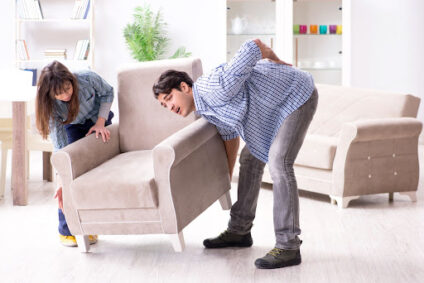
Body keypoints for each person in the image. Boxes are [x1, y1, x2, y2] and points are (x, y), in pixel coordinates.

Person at [152, 39, 318, 269]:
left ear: (184, 87)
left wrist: (275, 60)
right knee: (249, 159)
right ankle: (239, 231)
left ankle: (288, 245)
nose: (169, 107)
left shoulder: (214, 87)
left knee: (279, 163)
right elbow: (231, 139)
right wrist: (226, 180)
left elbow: (253, 46)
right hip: (273, 110)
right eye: (164, 105)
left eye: (169, 98)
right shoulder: (206, 110)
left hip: (296, 95)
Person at [36, 61, 114, 247]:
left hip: (99, 121)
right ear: (50, 94)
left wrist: (101, 122)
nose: (65, 95)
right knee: (70, 176)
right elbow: (61, 148)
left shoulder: (87, 77)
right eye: (59, 93)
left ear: (71, 80)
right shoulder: (51, 107)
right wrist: (62, 178)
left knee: (97, 176)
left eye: (67, 88)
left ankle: (90, 225)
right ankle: (67, 230)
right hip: (72, 128)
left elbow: (108, 92)